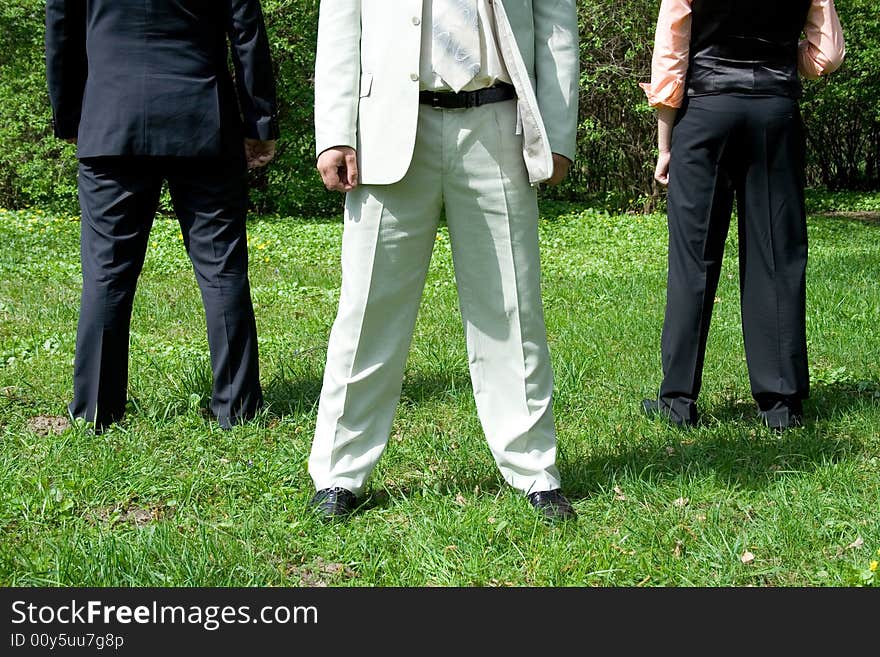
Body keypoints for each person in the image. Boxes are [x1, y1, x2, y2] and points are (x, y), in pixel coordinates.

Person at [308, 0, 579, 522]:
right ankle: (339, 473)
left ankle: (534, 469)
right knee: (367, 309)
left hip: (498, 124)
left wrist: (559, 131)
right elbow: (340, 24)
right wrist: (335, 134)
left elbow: (556, 25)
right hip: (384, 127)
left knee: (512, 306)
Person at [45, 0, 279, 432]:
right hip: (203, 119)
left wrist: (71, 116)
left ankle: (95, 412)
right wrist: (258, 123)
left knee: (107, 272)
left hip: (112, 118)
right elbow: (247, 34)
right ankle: (239, 410)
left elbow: (61, 29)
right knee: (222, 269)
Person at [639, 0, 845, 430]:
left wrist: (664, 144)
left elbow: (671, 56)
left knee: (693, 258)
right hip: (774, 111)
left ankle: (678, 401)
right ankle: (780, 405)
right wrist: (779, 63)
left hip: (706, 112)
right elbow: (827, 55)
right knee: (777, 255)